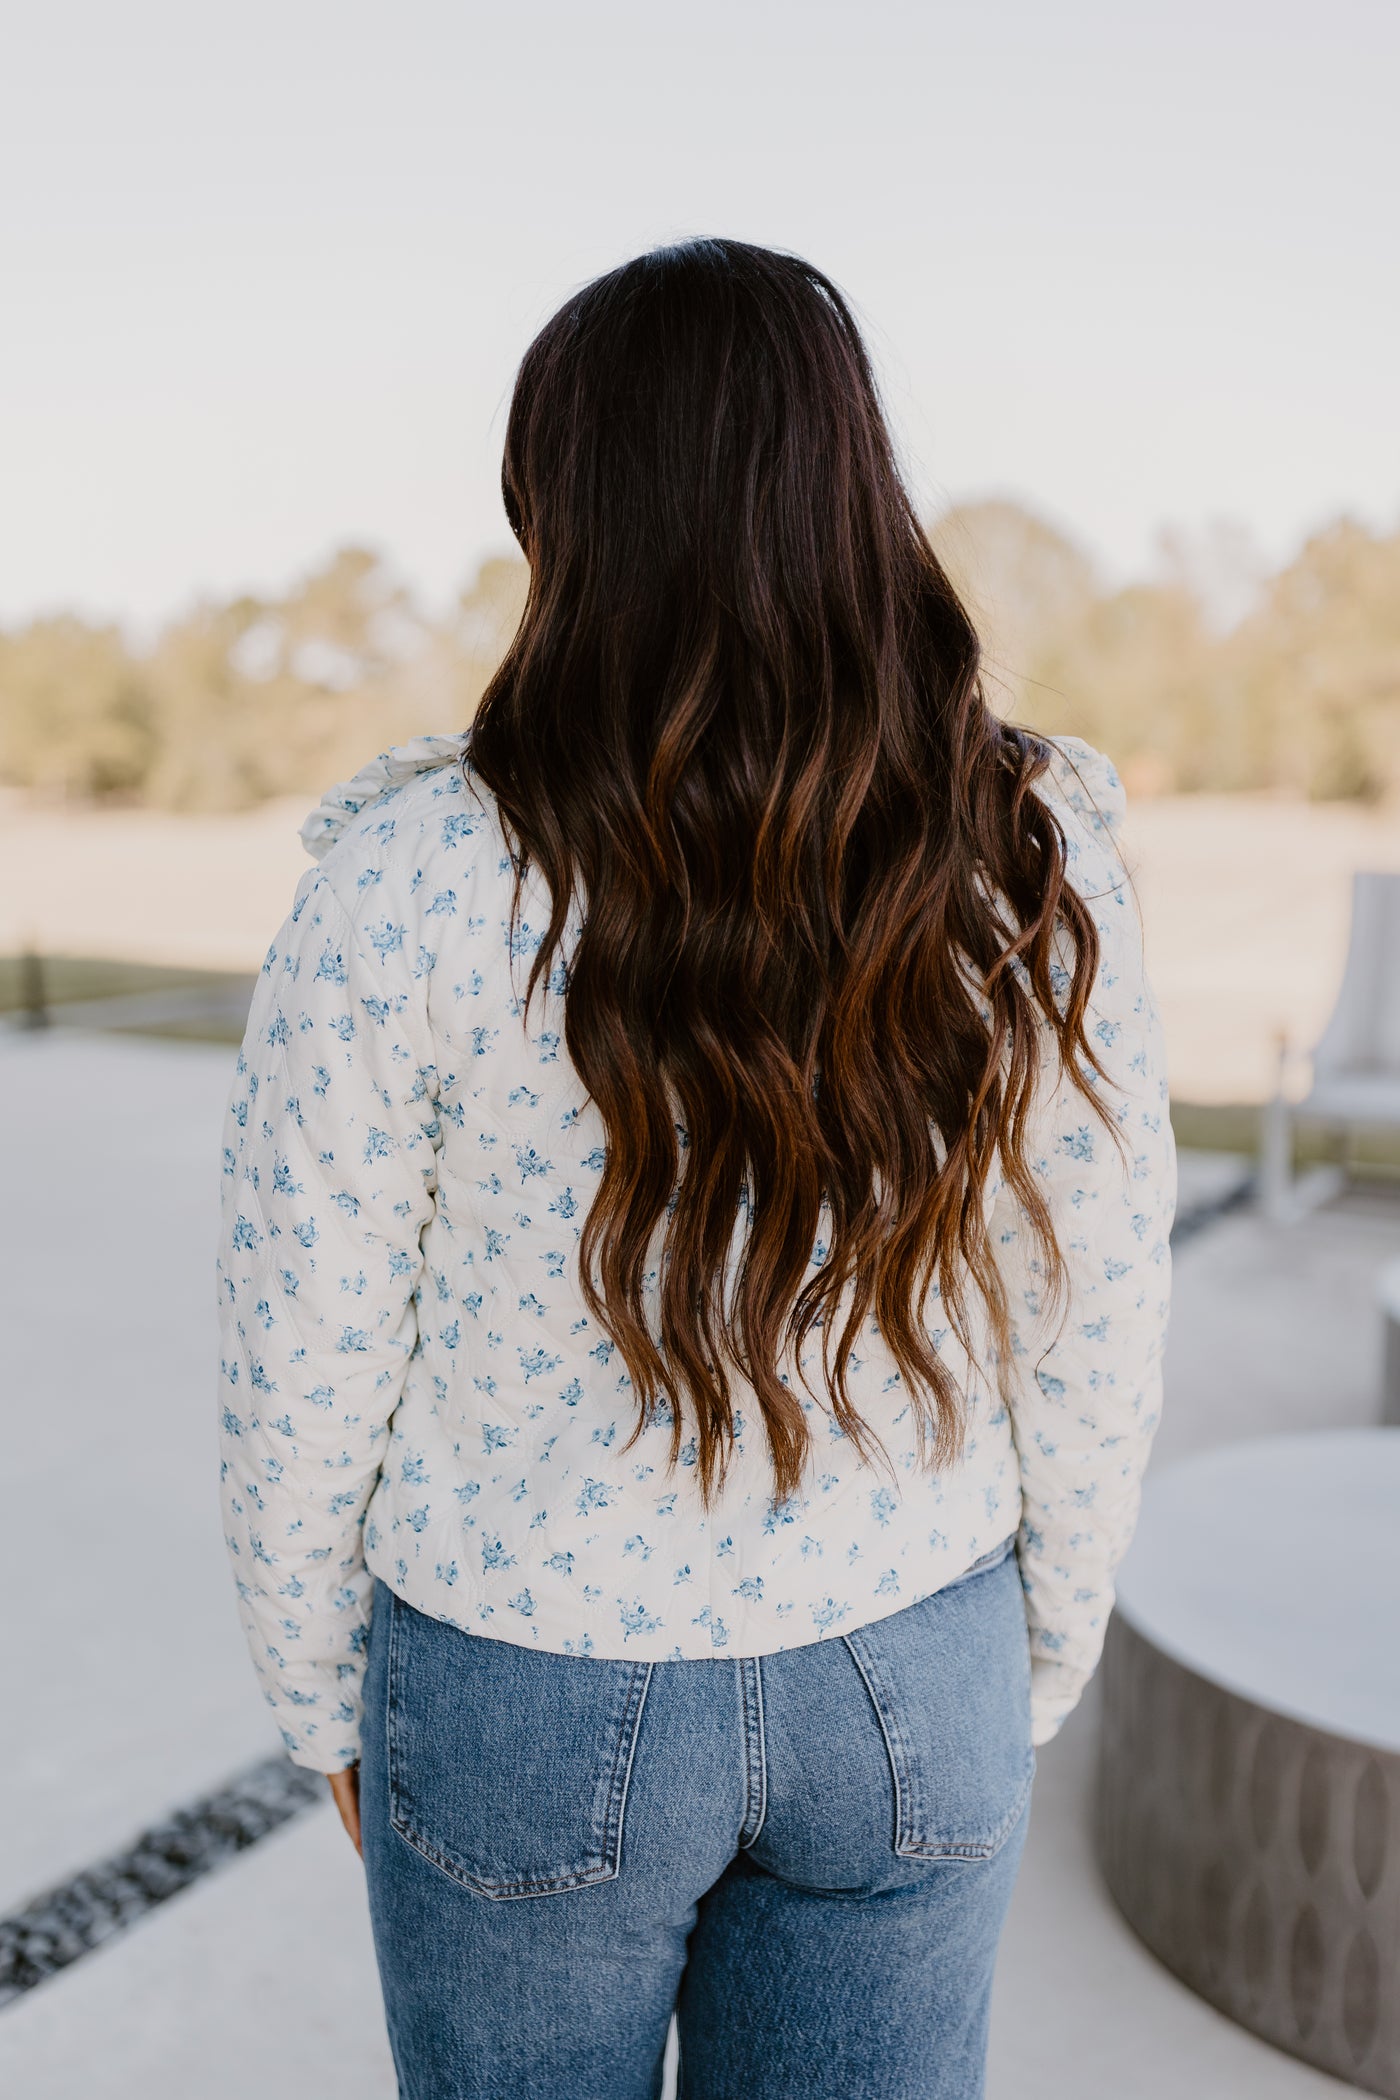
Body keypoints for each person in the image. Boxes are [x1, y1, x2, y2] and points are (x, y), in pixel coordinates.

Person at [216, 237, 1174, 2100]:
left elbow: (300, 1356)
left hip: (515, 1687)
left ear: (571, 521)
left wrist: (323, 1705)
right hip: (920, 1660)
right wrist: (1031, 1665)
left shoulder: (407, 880)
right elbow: (1100, 1303)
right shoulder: (1027, 855)